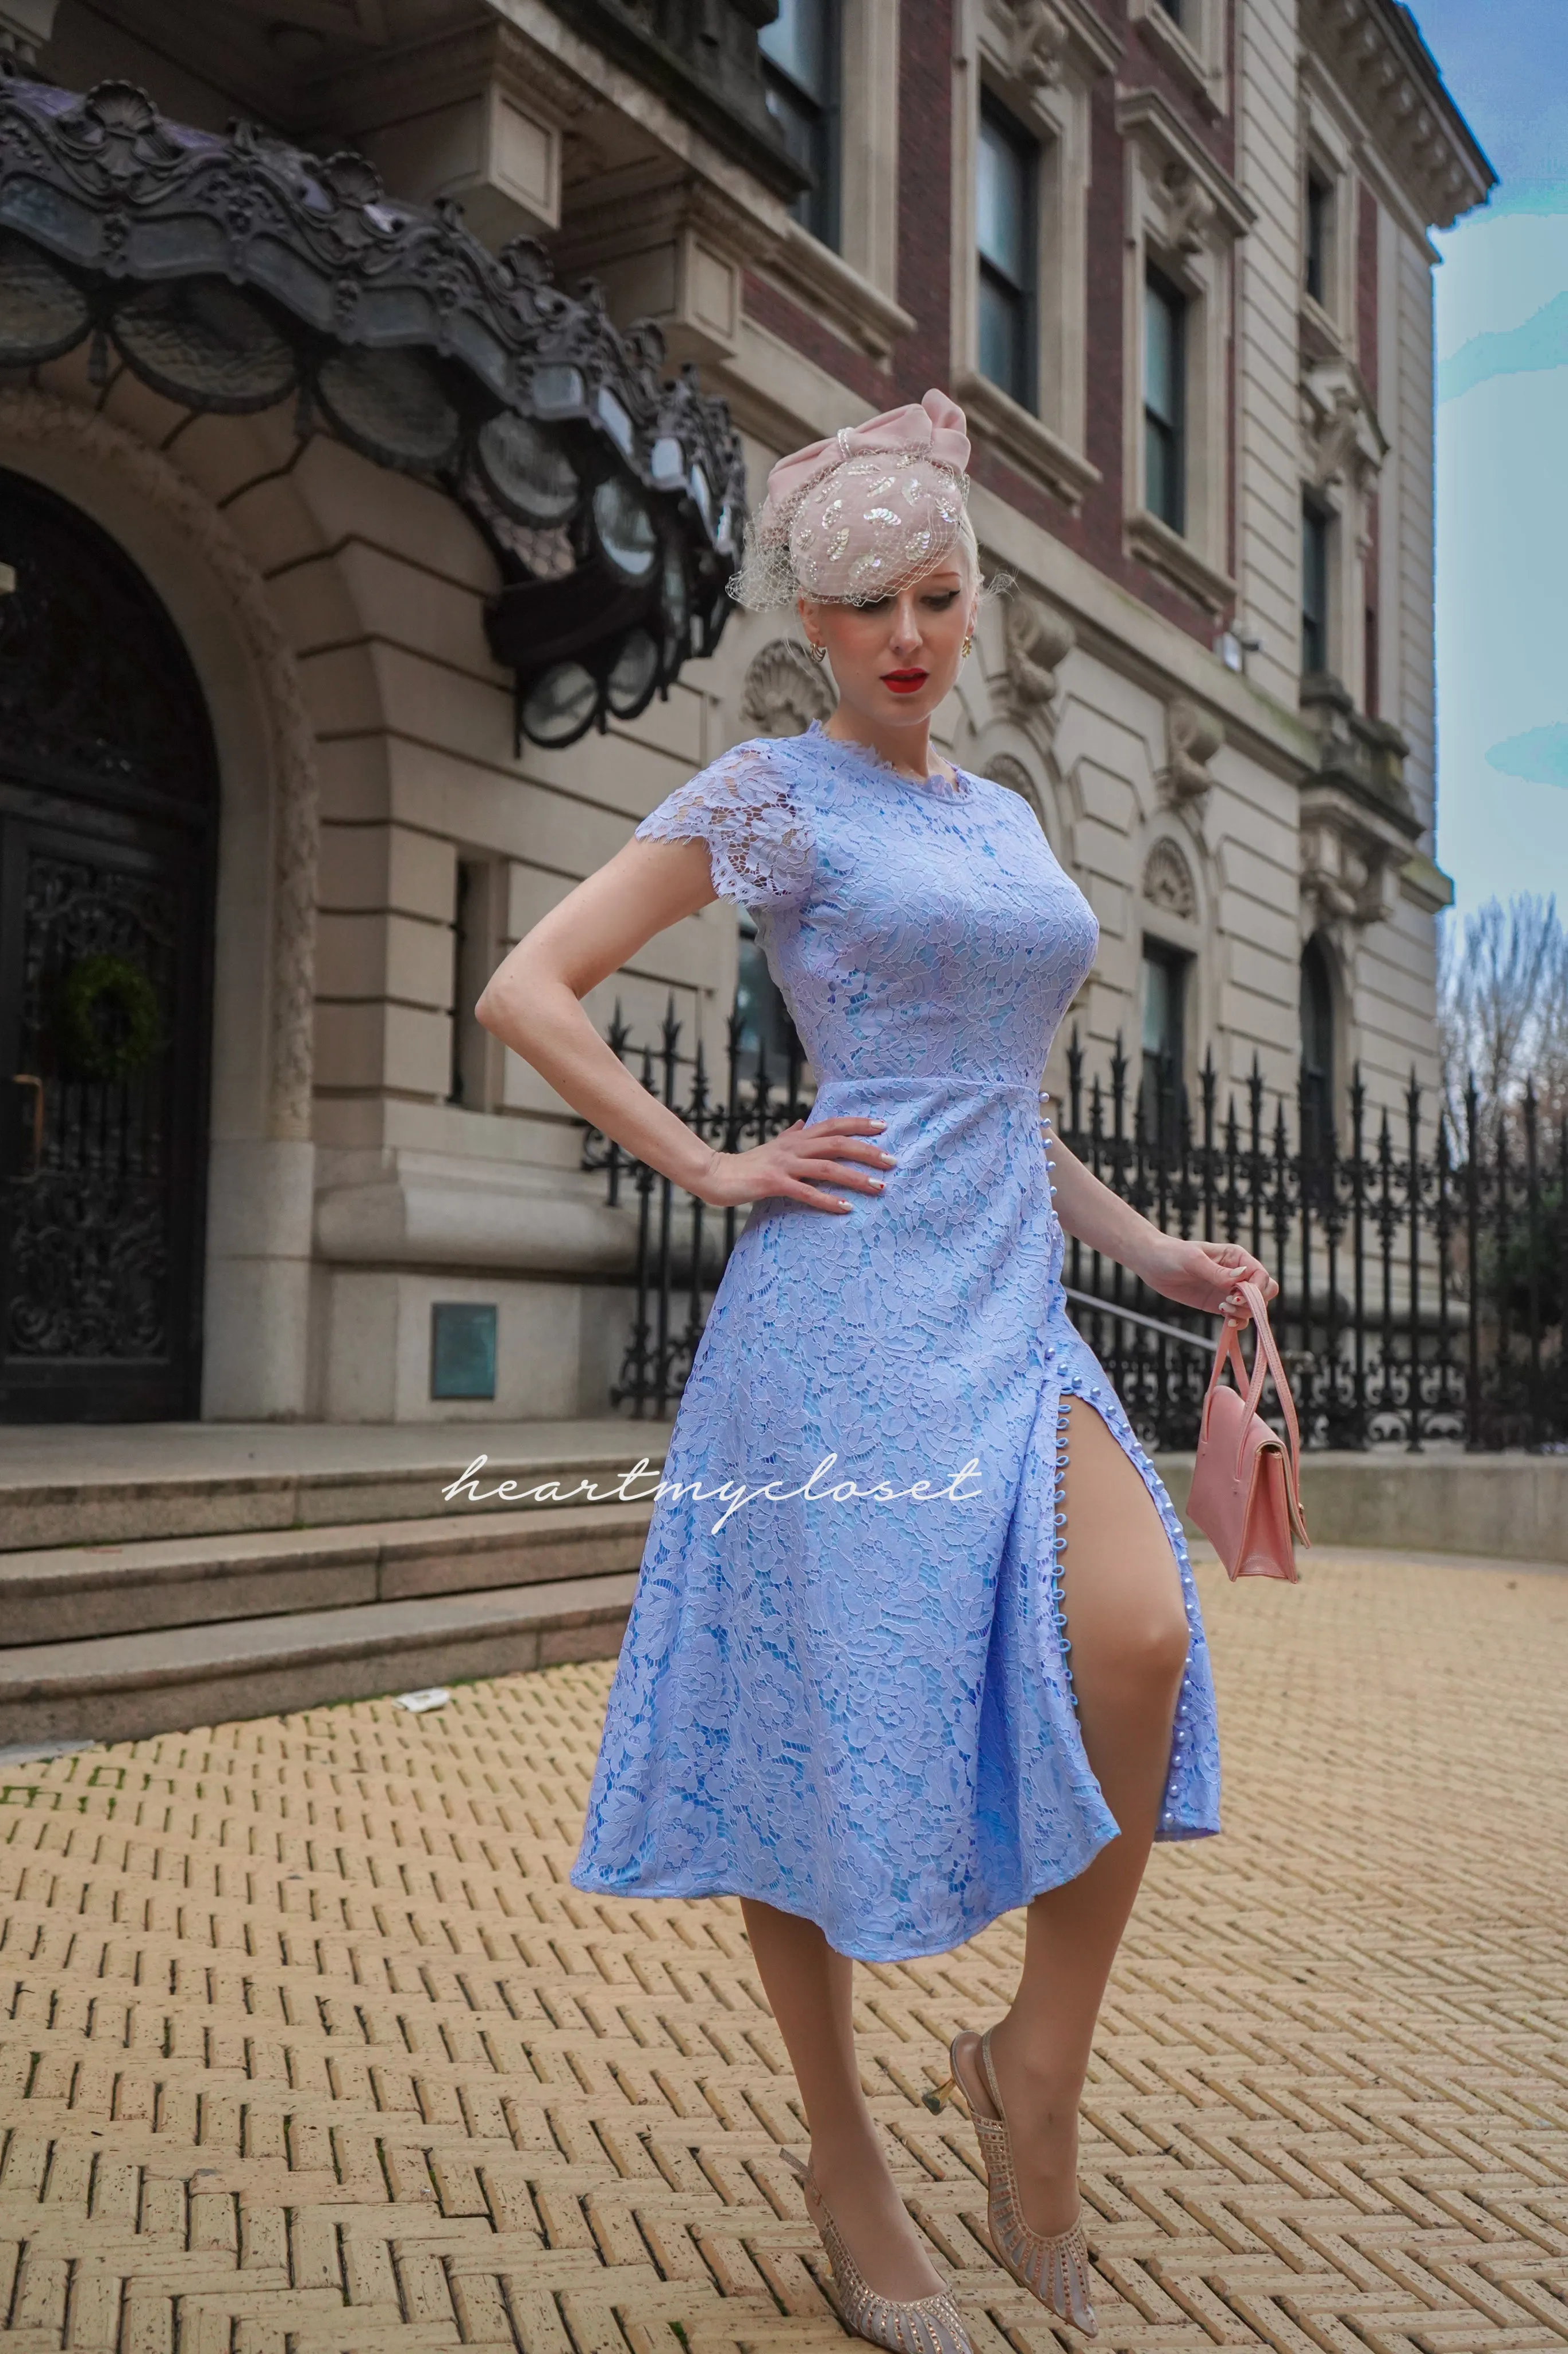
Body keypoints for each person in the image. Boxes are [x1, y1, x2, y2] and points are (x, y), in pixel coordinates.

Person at [476, 389, 1277, 2351]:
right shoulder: (767, 793)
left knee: (1145, 1640)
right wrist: (712, 1159)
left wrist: (1155, 1253)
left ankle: (1030, 2068)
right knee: (820, 1739)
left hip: (1013, 1305)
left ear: (971, 605)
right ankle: (848, 2155)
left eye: (935, 596)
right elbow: (527, 990)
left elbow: (1007, 1106)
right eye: (865, 605)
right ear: (814, 625)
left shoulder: (1002, 817)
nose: (908, 634)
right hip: (832, 1324)